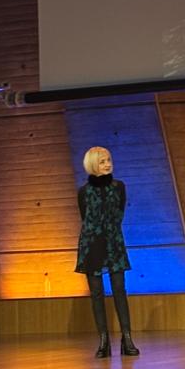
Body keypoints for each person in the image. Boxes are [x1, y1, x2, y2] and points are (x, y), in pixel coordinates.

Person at [76, 146, 139, 357]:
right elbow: (85, 218)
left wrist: (109, 232)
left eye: (109, 160)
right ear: (93, 164)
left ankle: (127, 338)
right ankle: (103, 341)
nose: (108, 164)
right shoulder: (83, 192)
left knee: (120, 290)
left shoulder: (119, 187)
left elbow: (120, 213)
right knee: (96, 294)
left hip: (114, 242)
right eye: (103, 161)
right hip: (92, 244)